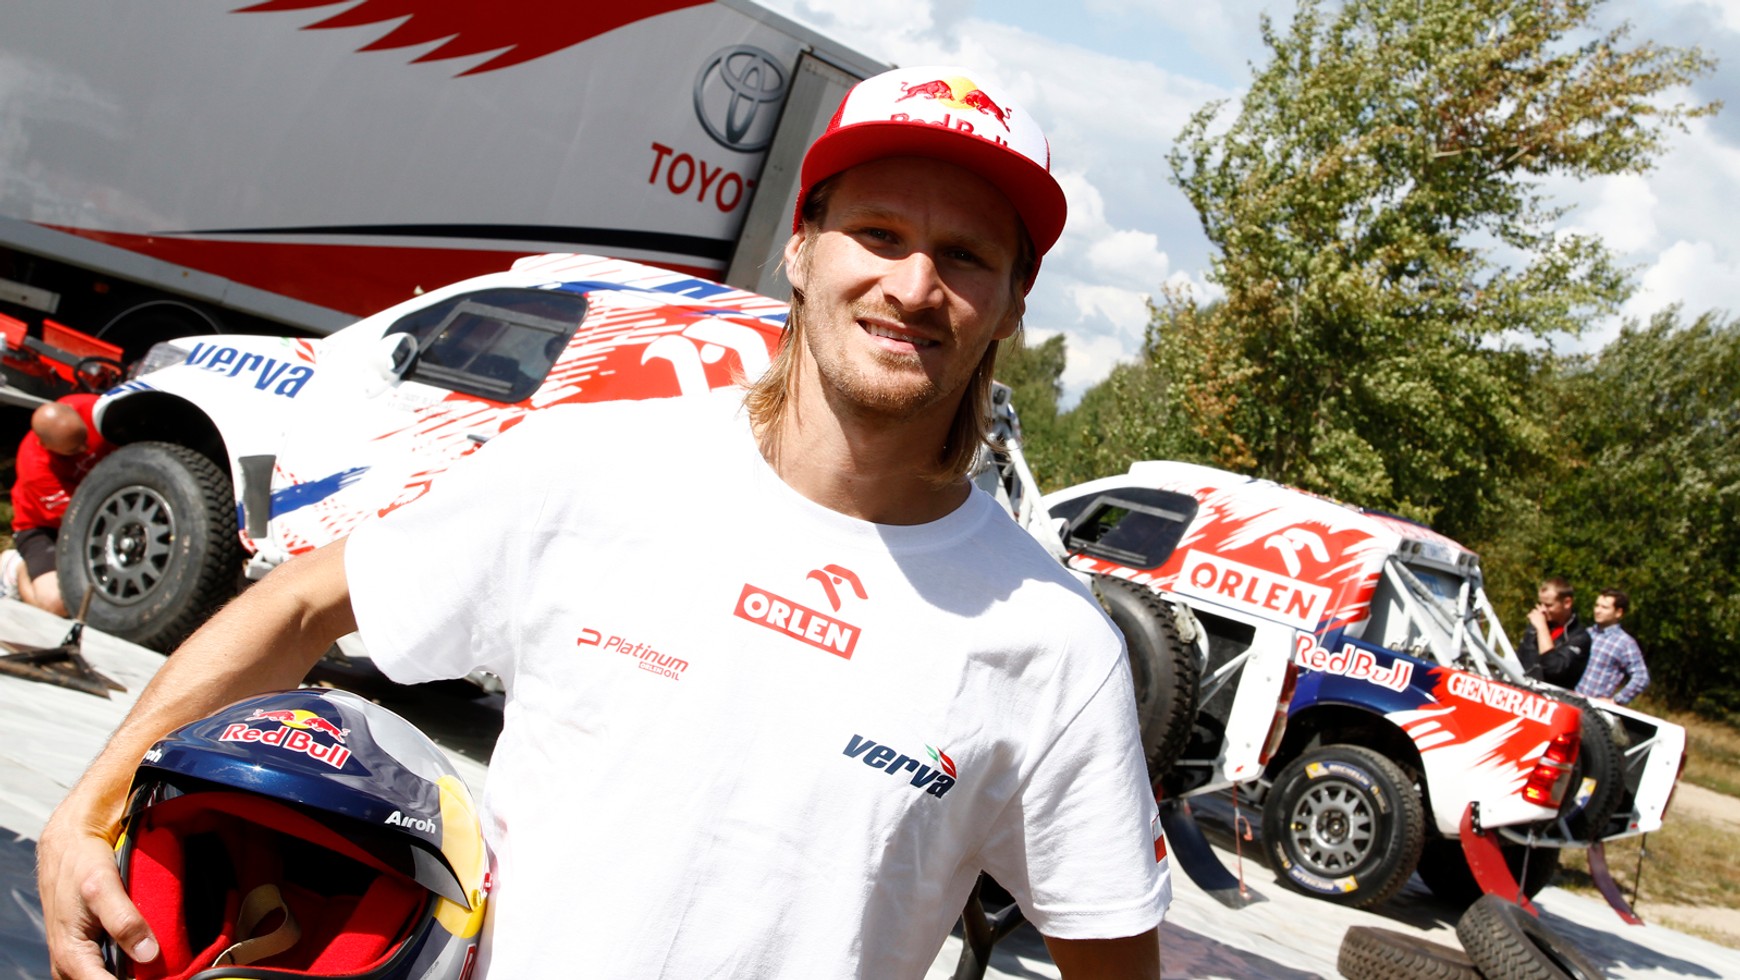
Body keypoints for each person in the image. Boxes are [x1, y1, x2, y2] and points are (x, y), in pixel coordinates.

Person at [38, 66, 1169, 979]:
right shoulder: (595, 463)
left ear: (1012, 303)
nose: (914, 286)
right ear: (802, 245)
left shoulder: (1054, 647)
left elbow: (1110, 949)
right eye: (878, 234)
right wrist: (92, 806)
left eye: (965, 256)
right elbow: (298, 602)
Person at [2, 394, 113, 615]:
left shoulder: (94, 409)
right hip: (46, 527)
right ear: (45, 445)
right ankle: (14, 569)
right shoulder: (35, 469)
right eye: (73, 450)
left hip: (100, 505)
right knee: (58, 604)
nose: (84, 448)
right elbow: (79, 519)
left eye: (83, 437)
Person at [1575, 589, 1650, 705]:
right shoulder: (1585, 633)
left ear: (1618, 612)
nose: (1598, 610)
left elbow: (1641, 677)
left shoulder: (1624, 643)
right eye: (1597, 605)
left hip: (1593, 708)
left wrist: (1615, 701)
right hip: (1568, 699)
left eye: (1604, 607)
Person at [1517, 576, 1592, 689]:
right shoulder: (1536, 625)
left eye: (1549, 605)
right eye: (1541, 604)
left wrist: (1542, 628)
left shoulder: (1579, 637)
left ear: (1567, 603)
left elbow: (1553, 668)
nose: (1542, 609)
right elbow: (1519, 658)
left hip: (1550, 695)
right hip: (1522, 689)